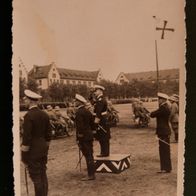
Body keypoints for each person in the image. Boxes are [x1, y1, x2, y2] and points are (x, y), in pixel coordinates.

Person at [21, 89, 51, 196]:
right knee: (43, 174)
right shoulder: (44, 114)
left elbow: (26, 138)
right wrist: (45, 148)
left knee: (36, 177)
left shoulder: (28, 116)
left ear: (31, 101)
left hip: (33, 151)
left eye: (25, 99)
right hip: (43, 148)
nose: (24, 100)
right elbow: (48, 136)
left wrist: (23, 156)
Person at [74, 94, 96, 181]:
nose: (74, 102)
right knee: (90, 154)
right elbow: (93, 124)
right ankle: (92, 172)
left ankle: (91, 175)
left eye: (75, 101)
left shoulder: (79, 112)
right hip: (89, 136)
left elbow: (80, 127)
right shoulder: (87, 111)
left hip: (83, 137)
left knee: (88, 155)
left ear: (79, 102)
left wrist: (79, 138)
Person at [150, 92, 172, 173]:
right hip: (165, 131)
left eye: (159, 99)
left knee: (163, 150)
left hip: (163, 132)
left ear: (162, 100)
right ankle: (167, 168)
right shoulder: (166, 107)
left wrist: (150, 113)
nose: (158, 101)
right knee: (165, 150)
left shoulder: (163, 108)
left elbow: (153, 114)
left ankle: (165, 168)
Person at [93, 85, 111, 157]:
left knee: (103, 137)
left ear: (100, 91)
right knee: (104, 137)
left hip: (101, 121)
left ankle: (104, 153)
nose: (95, 92)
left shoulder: (100, 100)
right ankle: (105, 152)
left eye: (96, 91)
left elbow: (98, 113)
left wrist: (95, 123)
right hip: (103, 120)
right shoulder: (100, 99)